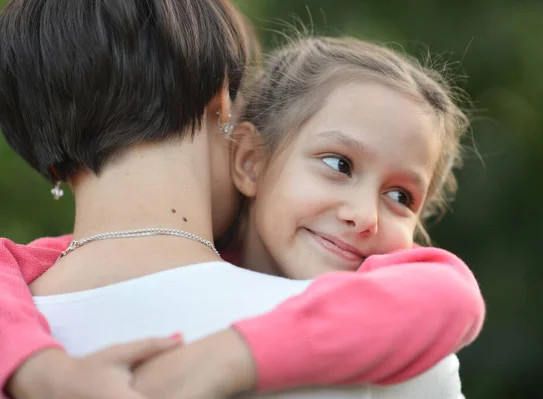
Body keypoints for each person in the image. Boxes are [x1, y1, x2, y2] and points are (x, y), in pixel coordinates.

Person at [0, 1, 483, 398]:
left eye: (400, 196)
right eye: (338, 165)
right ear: (225, 111)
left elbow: (446, 290)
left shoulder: (25, 308)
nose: (363, 217)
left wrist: (40, 371)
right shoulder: (389, 351)